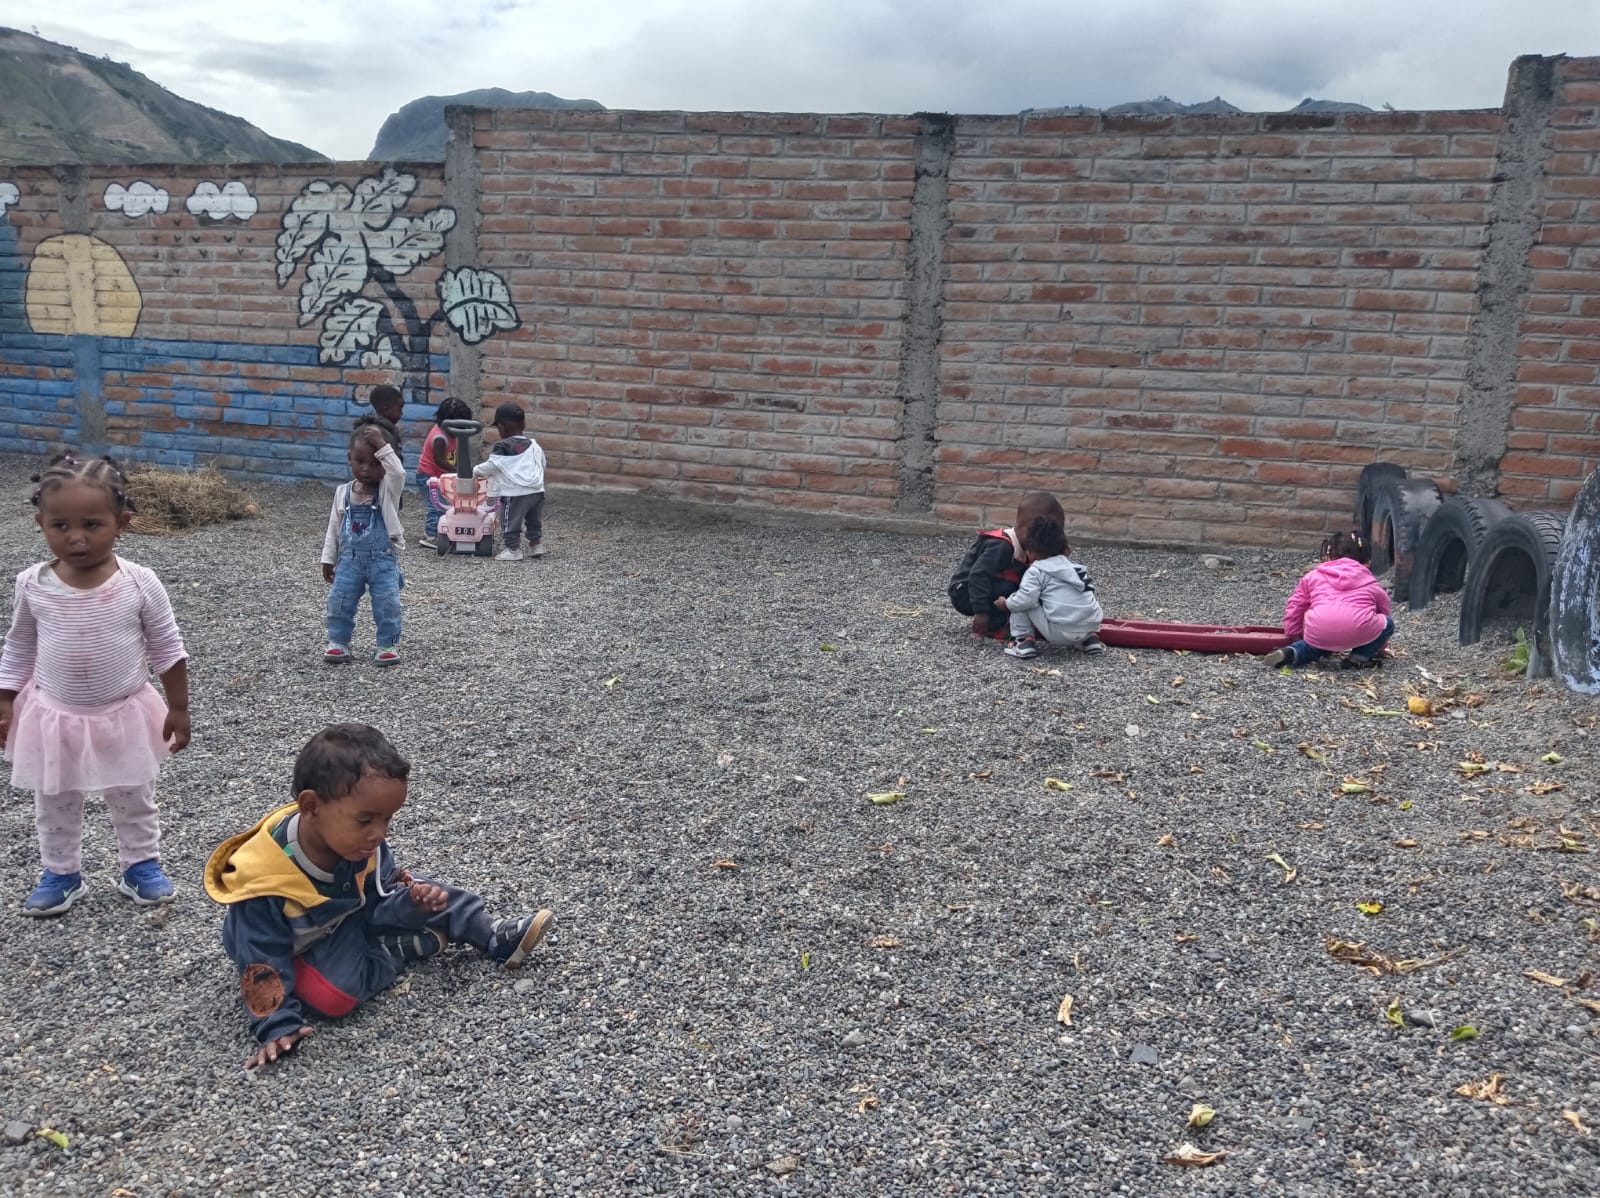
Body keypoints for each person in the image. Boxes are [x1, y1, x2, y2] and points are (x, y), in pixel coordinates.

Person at [205, 723, 555, 1069]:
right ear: (310, 806)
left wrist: (412, 904)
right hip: (301, 944)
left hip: (348, 914)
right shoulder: (263, 882)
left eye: (387, 819)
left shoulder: (358, 844)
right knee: (334, 998)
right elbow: (261, 957)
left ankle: (491, 933)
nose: (379, 834)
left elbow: (378, 898)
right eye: (366, 820)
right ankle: (394, 950)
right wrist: (275, 1024)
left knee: (430, 893)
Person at [0, 453, 190, 916]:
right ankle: (61, 873)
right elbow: (19, 646)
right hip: (55, 716)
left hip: (122, 713)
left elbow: (167, 646)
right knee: (55, 800)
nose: (76, 537)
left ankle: (140, 865)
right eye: (60, 525)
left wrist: (179, 707)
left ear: (121, 523)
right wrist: (5, 701)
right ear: (40, 523)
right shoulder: (32, 584)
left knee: (133, 796)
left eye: (91, 524)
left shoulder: (139, 583)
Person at [322, 417, 406, 666]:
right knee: (339, 601)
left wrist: (383, 446)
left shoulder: (387, 490)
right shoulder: (343, 492)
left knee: (387, 603)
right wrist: (328, 558)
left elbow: (398, 472)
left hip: (382, 561)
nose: (367, 469)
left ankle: (387, 645)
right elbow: (334, 528)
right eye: (360, 461)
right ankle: (338, 642)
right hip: (349, 561)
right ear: (349, 458)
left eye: (376, 462)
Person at [1260, 530, 1394, 670]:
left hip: (1320, 630)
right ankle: (1358, 658)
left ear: (1328, 555)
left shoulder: (1313, 576)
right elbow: (1383, 610)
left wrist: (1294, 633)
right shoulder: (1370, 580)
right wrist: (1378, 646)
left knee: (1315, 646)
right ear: (1365, 558)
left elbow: (1296, 605)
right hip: (1359, 629)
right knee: (1388, 623)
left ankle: (1292, 652)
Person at [948, 492, 1065, 641]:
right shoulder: (1002, 547)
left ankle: (1017, 621)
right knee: (1013, 588)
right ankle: (993, 626)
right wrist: (981, 612)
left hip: (985, 588)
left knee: (1030, 585)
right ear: (1030, 530)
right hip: (965, 593)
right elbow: (978, 575)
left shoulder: (1024, 546)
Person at [994, 516, 1105, 659]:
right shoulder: (1077, 569)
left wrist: (1006, 604)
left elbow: (1025, 600)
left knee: (1022, 599)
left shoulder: (1036, 570)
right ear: (1067, 550)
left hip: (1060, 633)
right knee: (1079, 597)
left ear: (1030, 552)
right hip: (1092, 626)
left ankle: (1022, 641)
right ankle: (1090, 641)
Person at [473, 401, 547, 562]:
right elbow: (542, 464)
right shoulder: (535, 445)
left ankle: (513, 549)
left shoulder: (503, 446)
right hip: (537, 490)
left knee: (510, 520)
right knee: (534, 520)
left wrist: (476, 470)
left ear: (502, 426)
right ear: (523, 423)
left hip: (515, 493)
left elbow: (493, 466)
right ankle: (536, 544)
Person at [415, 396, 473, 550]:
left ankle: (446, 529)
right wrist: (458, 471)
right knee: (435, 505)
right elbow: (439, 460)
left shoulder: (454, 434)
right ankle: (431, 535)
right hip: (429, 476)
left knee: (448, 504)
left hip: (442, 475)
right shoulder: (439, 437)